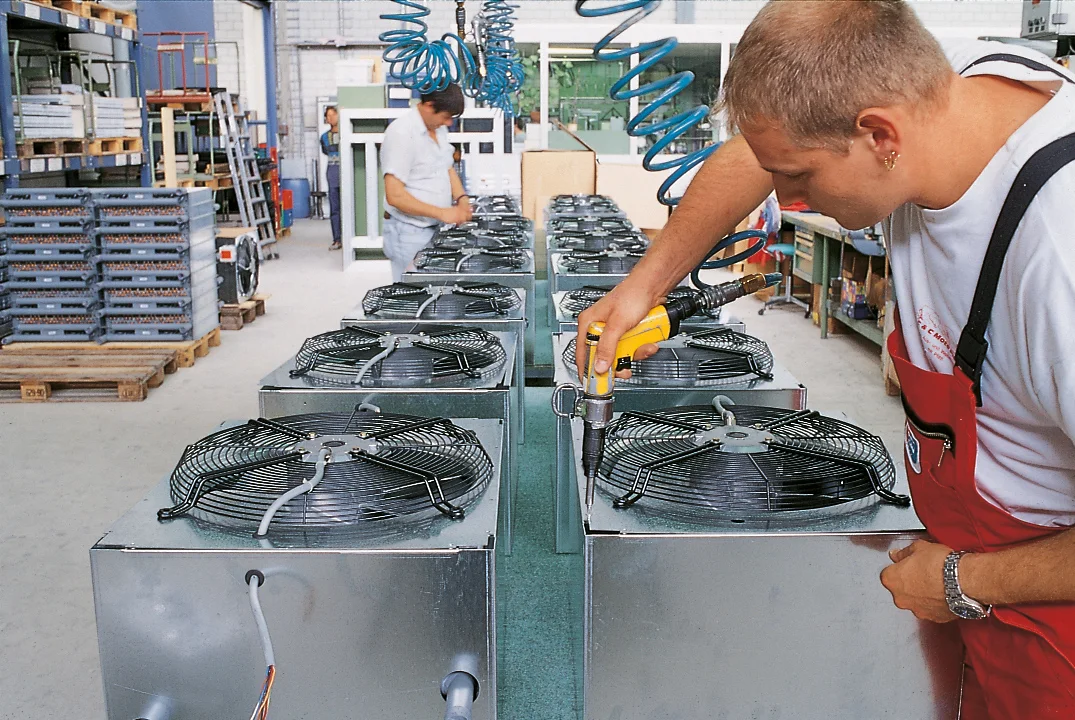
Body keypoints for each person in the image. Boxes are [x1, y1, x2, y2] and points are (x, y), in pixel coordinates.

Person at [576, 2, 1075, 717]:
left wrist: (968, 580)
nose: (782, 198)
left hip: (1049, 626)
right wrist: (641, 287)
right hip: (960, 561)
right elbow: (757, 152)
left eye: (798, 175)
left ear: (879, 136)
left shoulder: (1056, 255)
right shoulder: (943, 88)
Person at [379, 84, 472, 280]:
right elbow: (394, 195)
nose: (447, 123)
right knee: (412, 296)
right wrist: (443, 212)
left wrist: (462, 198)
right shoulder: (402, 133)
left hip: (434, 227)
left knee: (434, 291)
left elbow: (447, 167)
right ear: (429, 106)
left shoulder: (438, 130)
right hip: (409, 231)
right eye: (445, 117)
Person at [320, 106, 342, 251]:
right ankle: (337, 239)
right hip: (333, 173)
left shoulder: (345, 133)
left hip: (345, 172)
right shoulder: (324, 137)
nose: (331, 118)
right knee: (335, 208)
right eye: (328, 116)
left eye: (333, 115)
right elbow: (326, 151)